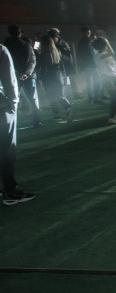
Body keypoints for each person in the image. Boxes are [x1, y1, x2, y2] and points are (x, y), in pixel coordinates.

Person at [1, 43, 35, 205]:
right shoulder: (1, 50)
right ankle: (10, 191)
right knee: (6, 150)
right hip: (2, 107)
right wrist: (14, 103)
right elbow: (9, 79)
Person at [4, 24, 40, 128]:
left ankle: (13, 123)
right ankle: (37, 120)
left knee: (14, 99)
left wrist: (16, 72)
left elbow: (7, 63)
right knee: (33, 98)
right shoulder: (27, 44)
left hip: (14, 76)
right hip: (29, 75)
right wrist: (27, 73)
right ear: (19, 33)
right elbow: (33, 59)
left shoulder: (6, 46)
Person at [37, 34, 73, 122]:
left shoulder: (42, 54)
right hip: (58, 75)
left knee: (51, 96)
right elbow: (62, 65)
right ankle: (68, 108)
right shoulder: (57, 52)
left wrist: (40, 79)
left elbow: (41, 67)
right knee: (61, 95)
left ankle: (57, 114)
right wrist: (64, 75)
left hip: (48, 77)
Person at [91, 37, 116, 124]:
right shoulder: (98, 56)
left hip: (115, 77)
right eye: (106, 45)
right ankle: (111, 117)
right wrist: (107, 42)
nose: (107, 46)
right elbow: (112, 53)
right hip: (107, 78)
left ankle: (115, 114)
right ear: (103, 46)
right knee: (114, 97)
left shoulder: (106, 53)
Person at [77, 26, 100, 105]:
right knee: (98, 81)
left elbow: (79, 53)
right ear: (89, 31)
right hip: (93, 63)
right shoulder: (90, 41)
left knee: (89, 82)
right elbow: (94, 52)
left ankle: (90, 99)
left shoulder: (80, 41)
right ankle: (97, 98)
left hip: (86, 64)